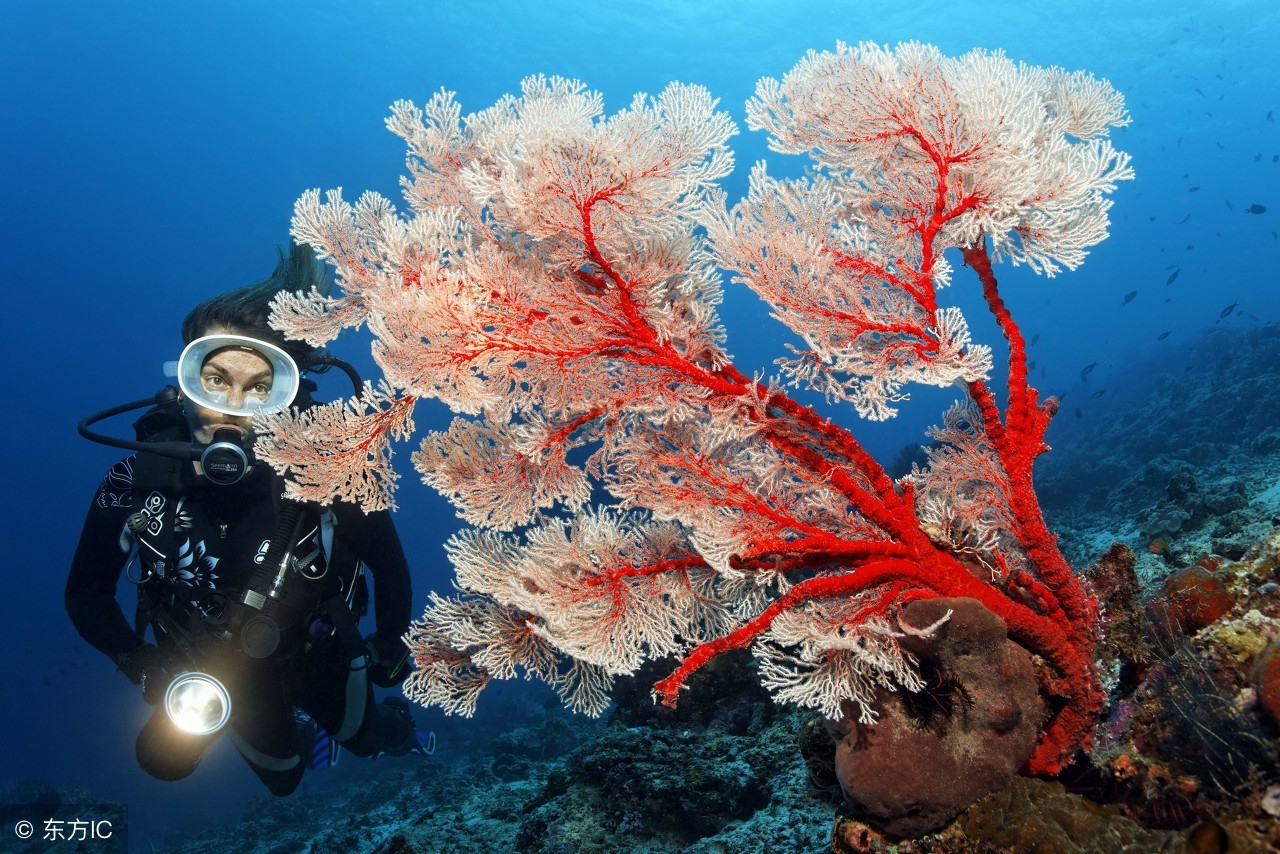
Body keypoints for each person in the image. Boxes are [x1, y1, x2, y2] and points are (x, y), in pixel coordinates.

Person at [66, 244, 431, 796]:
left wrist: (387, 643)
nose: (233, 408)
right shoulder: (134, 482)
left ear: (287, 396)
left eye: (260, 387)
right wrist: (141, 663)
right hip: (216, 669)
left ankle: (398, 734)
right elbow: (86, 594)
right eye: (214, 379)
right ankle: (301, 734)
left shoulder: (333, 474)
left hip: (321, 650)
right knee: (271, 778)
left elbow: (391, 568)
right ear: (183, 382)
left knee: (365, 734)